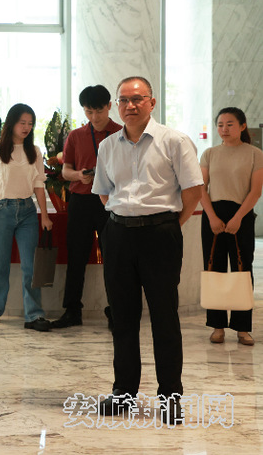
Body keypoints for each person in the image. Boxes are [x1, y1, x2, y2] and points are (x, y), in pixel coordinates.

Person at [92, 76, 203, 425]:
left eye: (137, 99)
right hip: (118, 235)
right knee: (122, 318)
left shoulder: (174, 141)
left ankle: (170, 396)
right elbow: (104, 192)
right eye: (124, 100)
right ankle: (123, 392)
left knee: (164, 317)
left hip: (160, 235)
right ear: (117, 105)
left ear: (152, 103)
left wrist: (169, 225)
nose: (130, 105)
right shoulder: (108, 146)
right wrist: (125, 218)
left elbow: (193, 191)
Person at [0, 103, 53, 331]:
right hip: (1, 210)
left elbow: (39, 184)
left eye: (30, 123)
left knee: (31, 266)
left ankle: (34, 315)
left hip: (27, 211)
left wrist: (44, 215)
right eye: (22, 123)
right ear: (11, 123)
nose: (26, 127)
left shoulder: (34, 151)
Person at [51, 85, 121, 329]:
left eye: (99, 111)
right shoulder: (76, 136)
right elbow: (65, 171)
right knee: (76, 256)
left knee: (114, 257)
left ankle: (116, 311)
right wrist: (79, 175)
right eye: (89, 112)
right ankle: (72, 311)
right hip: (81, 199)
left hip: (111, 201)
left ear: (109, 106)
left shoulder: (121, 133)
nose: (94, 117)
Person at [199, 107, 263, 346]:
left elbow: (255, 191)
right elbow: (201, 188)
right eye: (220, 125)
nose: (224, 129)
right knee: (213, 269)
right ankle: (217, 326)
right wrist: (212, 217)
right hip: (213, 216)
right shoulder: (209, 153)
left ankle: (242, 328)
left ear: (242, 126)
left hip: (241, 215)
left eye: (230, 124)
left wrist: (238, 218)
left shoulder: (255, 154)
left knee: (242, 270)